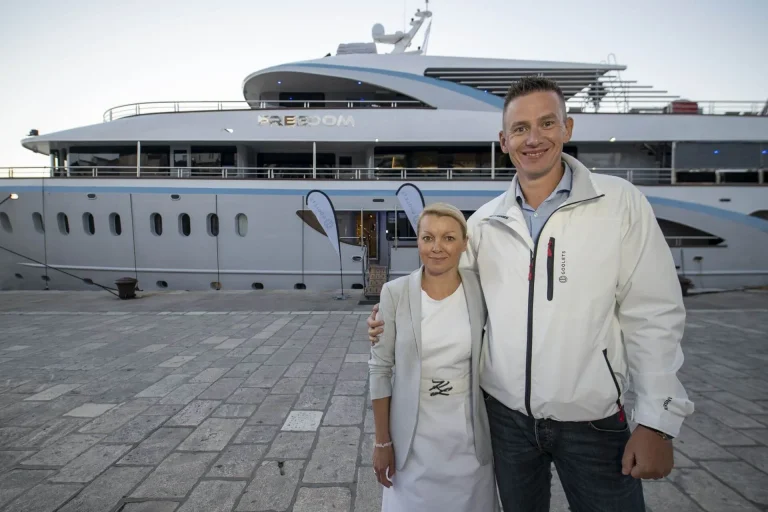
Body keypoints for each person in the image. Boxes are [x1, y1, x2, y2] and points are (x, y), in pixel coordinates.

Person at [368, 76, 694, 512]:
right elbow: (444, 284)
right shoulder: (484, 223)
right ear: (504, 141)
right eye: (520, 128)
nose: (534, 138)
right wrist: (391, 313)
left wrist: (657, 421)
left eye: (546, 123)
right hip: (506, 422)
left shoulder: (619, 204)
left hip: (592, 421)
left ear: (567, 128)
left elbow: (652, 313)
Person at [368, 202, 498, 512]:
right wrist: (382, 441)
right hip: (413, 440)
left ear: (464, 244)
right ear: (418, 242)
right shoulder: (395, 293)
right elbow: (380, 369)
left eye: (448, 238)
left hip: (467, 438)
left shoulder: (482, 290)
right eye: (428, 238)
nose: (437, 247)